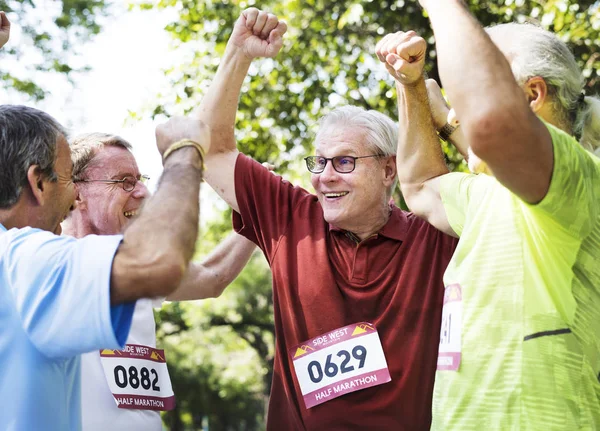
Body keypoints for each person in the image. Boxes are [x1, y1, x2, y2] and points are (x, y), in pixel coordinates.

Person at [194, 8, 457, 430]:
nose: (323, 177)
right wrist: (238, 54)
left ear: (389, 170)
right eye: (318, 162)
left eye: (345, 162)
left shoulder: (437, 235)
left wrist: (432, 109)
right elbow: (211, 150)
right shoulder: (290, 217)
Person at [376, 2, 600, 429]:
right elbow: (420, 187)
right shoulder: (489, 192)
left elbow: (493, 123)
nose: (458, 113)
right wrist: (412, 87)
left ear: (533, 95)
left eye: (470, 94)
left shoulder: (581, 178)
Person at [0, 103, 210, 428]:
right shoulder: (24, 259)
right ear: (38, 183)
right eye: (68, 179)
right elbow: (159, 261)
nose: (72, 198)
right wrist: (184, 154)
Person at [61, 132, 256, 431]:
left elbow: (212, 277)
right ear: (76, 194)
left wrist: (262, 212)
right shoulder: (45, 265)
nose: (143, 192)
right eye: (125, 181)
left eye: (141, 179)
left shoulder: (137, 265)